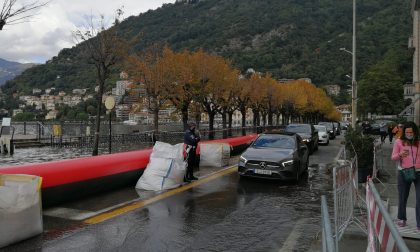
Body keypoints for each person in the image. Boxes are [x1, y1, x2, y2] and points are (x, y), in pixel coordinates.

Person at [391, 121, 420, 230]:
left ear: (415, 132)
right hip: (404, 172)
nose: (409, 134)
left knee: (419, 198)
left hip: (418, 172)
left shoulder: (418, 142)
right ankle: (402, 218)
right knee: (403, 196)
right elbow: (393, 157)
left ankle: (419, 224)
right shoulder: (399, 142)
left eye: (411, 132)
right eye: (407, 132)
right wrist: (400, 154)